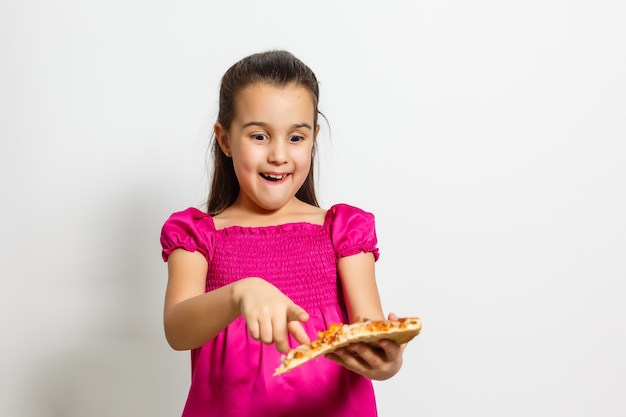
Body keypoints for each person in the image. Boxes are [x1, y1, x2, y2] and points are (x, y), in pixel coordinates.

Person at [160, 49, 406, 417]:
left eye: (296, 138)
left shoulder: (342, 230)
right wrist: (241, 292)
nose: (279, 155)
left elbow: (366, 329)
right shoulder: (198, 235)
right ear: (225, 139)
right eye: (259, 136)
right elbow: (177, 330)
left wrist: (387, 361)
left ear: (313, 138)